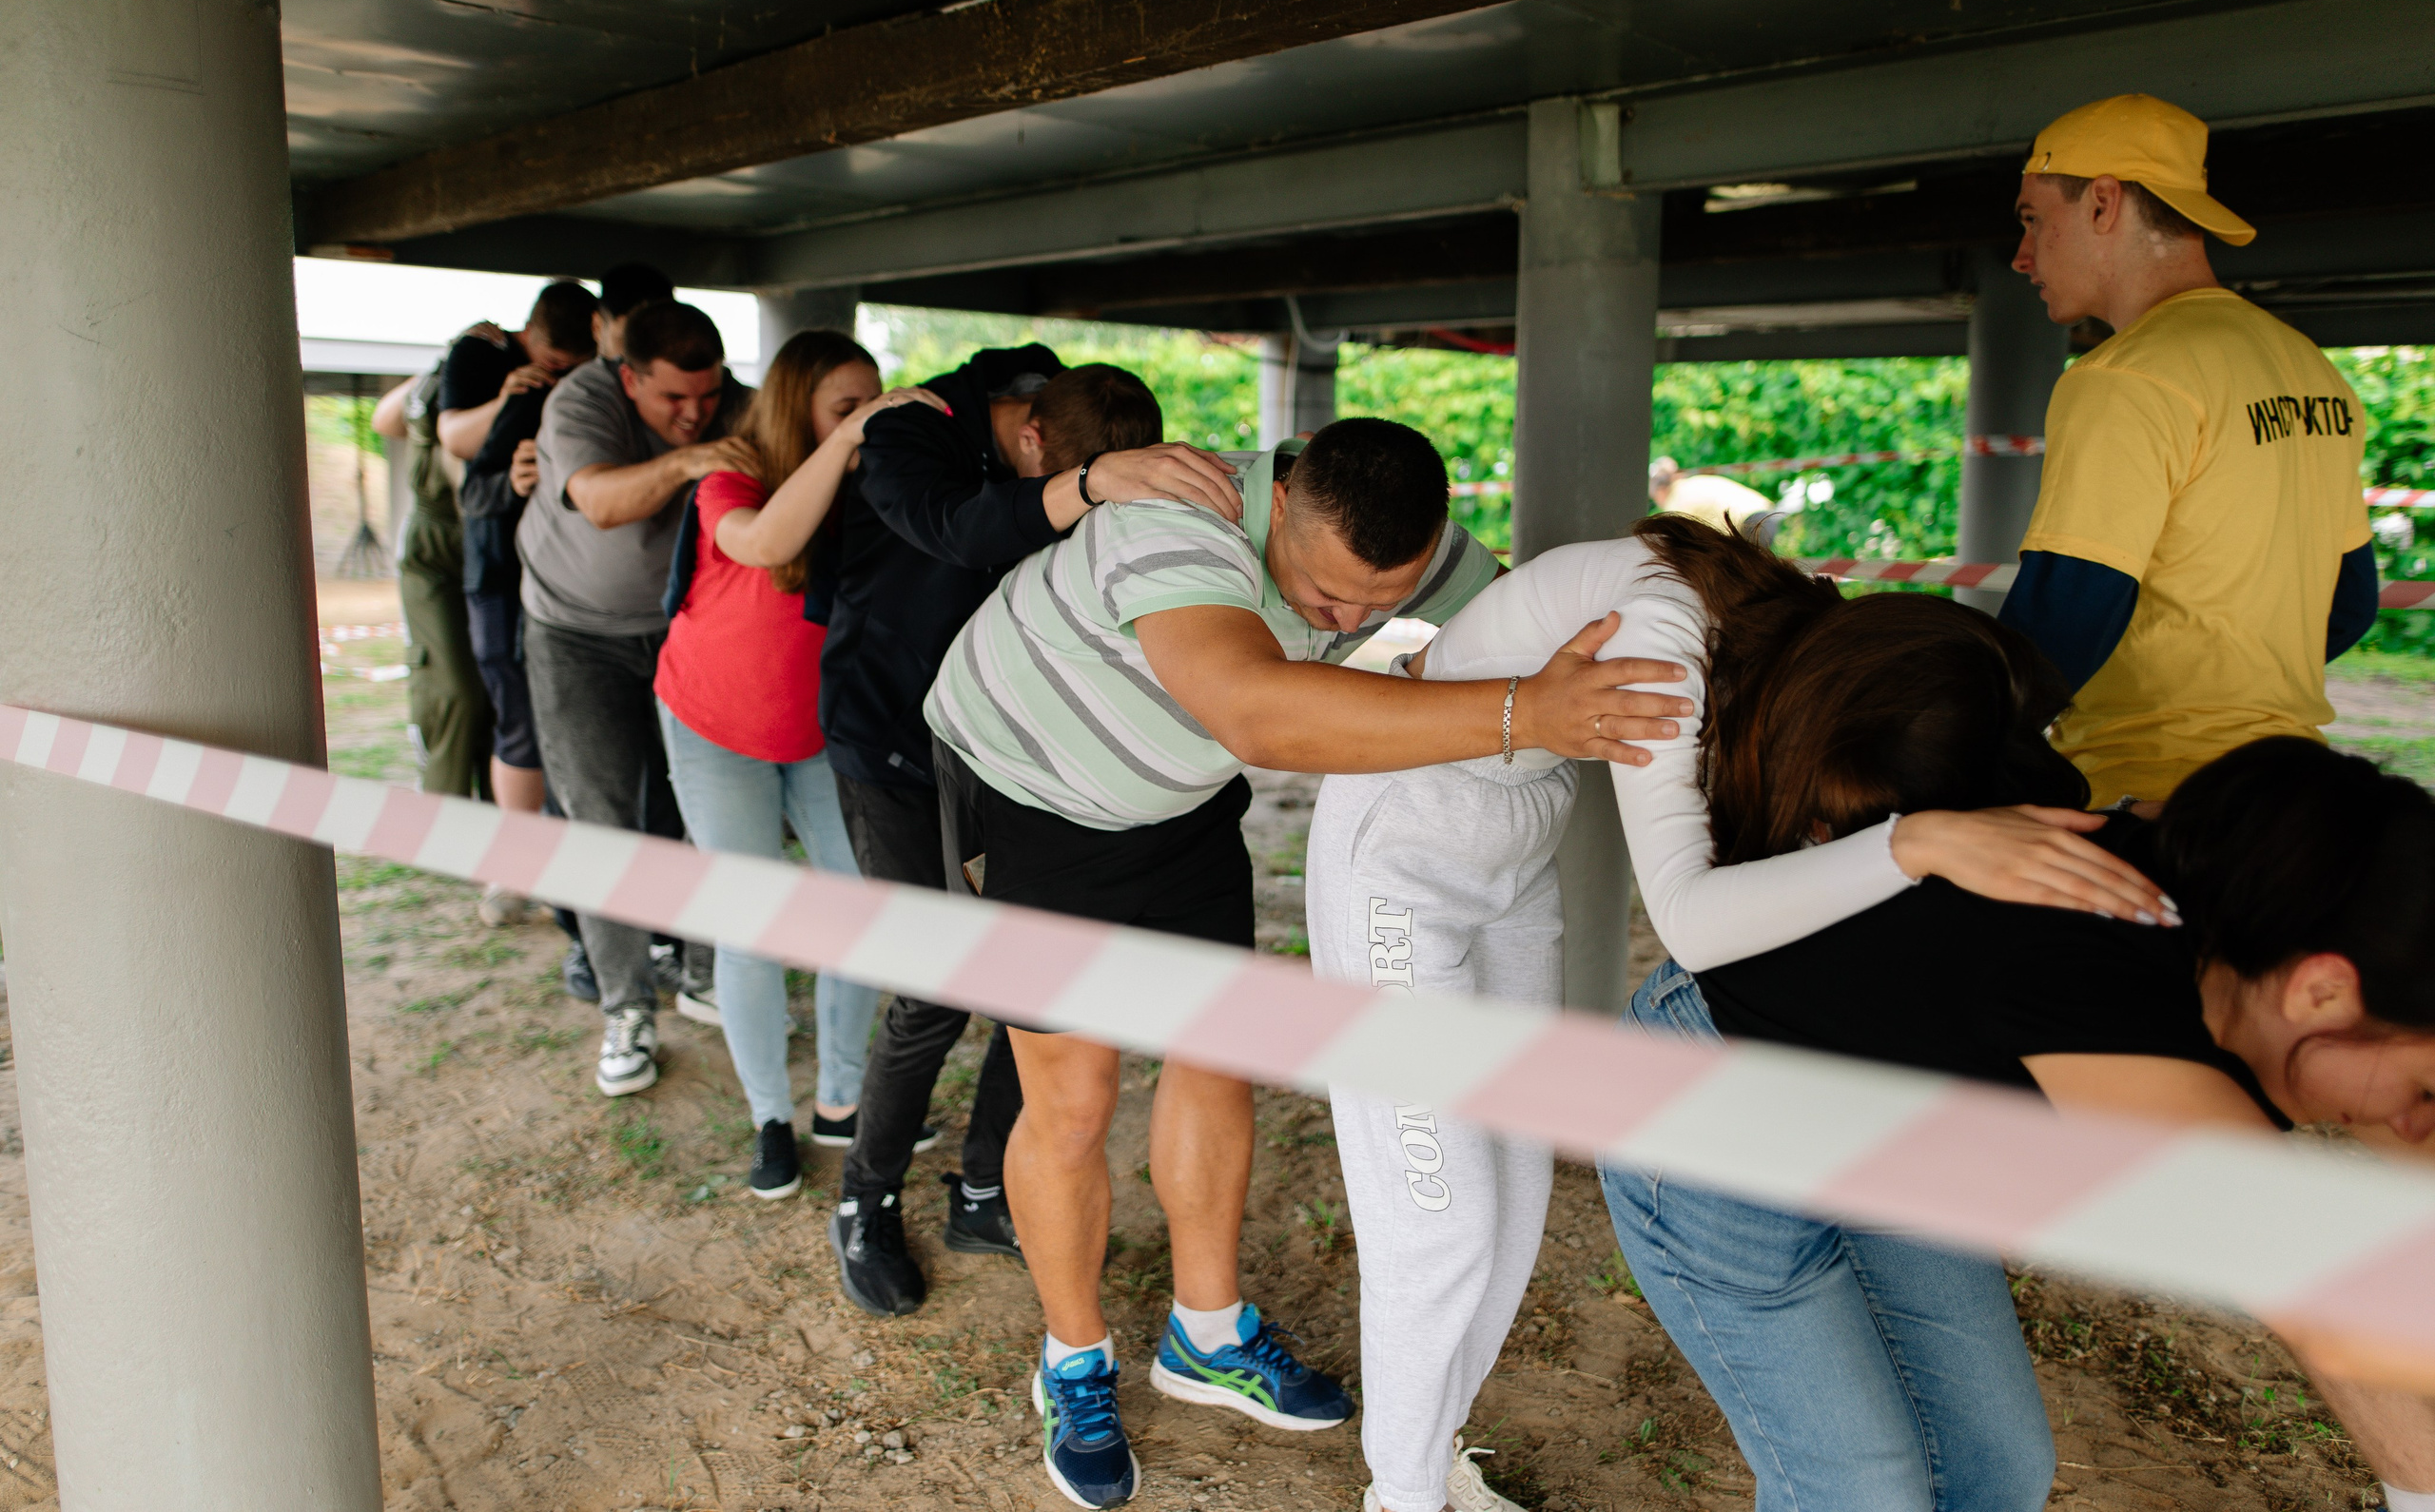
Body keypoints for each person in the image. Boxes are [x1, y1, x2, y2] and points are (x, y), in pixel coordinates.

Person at [1309, 514, 2172, 1512]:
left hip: (1506, 844)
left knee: (1509, 1184)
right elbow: (1689, 919)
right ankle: (1401, 1495)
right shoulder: (1667, 645)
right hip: (1399, 849)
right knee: (1440, 1218)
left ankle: (1429, 1459)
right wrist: (1908, 842)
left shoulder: (1795, 636)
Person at [924, 416, 1694, 1510]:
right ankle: (1073, 1356)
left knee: (1214, 1058)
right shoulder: (1176, 519)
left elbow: (1517, 617)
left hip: (1178, 801)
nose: (1352, 620)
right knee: (1074, 1096)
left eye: (1385, 599)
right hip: (1038, 791)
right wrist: (1526, 713)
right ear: (1278, 501)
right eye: (1328, 598)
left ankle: (1205, 1330)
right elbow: (1255, 711)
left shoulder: (1415, 559)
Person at [1584, 544, 2435, 1508]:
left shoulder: (2274, 896)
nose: (2412, 1128)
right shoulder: (2105, 992)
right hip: (1712, 1110)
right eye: (2422, 1093)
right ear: (2320, 990)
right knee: (1861, 1493)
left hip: (1882, 1107)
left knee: (1995, 1474)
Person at [823, 347, 1250, 1321]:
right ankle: (866, 1195)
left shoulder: (1079, 417)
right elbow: (961, 530)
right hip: (894, 750)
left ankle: (983, 1188)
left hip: (1022, 766)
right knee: (935, 991)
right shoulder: (911, 427)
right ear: (1028, 438)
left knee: (1040, 991)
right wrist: (1091, 486)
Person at [1997, 92, 2380, 805]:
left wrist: (1954, 741)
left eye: (2033, 221)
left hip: (2146, 795)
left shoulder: (2123, 378)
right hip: (2286, 795)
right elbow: (2351, 602)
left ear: (2104, 205)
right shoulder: (2308, 367)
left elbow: (2067, 614)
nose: (2021, 257)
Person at [654, 329, 912, 1199]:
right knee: (751, 922)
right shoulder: (733, 476)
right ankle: (770, 1116)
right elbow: (763, 544)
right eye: (846, 406)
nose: (866, 421)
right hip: (712, 721)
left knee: (856, 910)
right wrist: (844, 443)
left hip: (816, 733)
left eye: (873, 401)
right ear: (800, 407)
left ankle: (840, 1098)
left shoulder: (867, 485)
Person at [519, 300, 754, 1096]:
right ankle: (627, 1006)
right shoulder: (582, 398)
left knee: (706, 807)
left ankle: (703, 969)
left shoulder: (738, 406)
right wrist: (696, 461)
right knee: (602, 819)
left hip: (689, 628)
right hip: (576, 634)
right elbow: (603, 501)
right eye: (671, 401)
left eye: (708, 396)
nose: (695, 414)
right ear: (629, 378)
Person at [434, 281, 598, 925]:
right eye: (558, 366)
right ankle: (517, 865)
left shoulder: (588, 389)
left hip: (568, 581)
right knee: (519, 717)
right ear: (533, 339)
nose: (566, 380)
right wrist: (512, 453)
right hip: (499, 569)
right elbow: (462, 459)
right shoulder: (491, 361)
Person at [369, 333, 496, 801]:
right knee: (452, 687)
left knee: (493, 690)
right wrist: (443, 364)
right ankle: (446, 800)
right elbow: (386, 419)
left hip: (490, 547)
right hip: (435, 552)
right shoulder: (438, 386)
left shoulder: (505, 392)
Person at [1646, 456, 1782, 544]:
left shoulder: (1675, 501)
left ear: (1660, 490)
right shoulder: (1691, 484)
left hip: (1751, 522)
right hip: (1763, 514)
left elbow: (1677, 539)